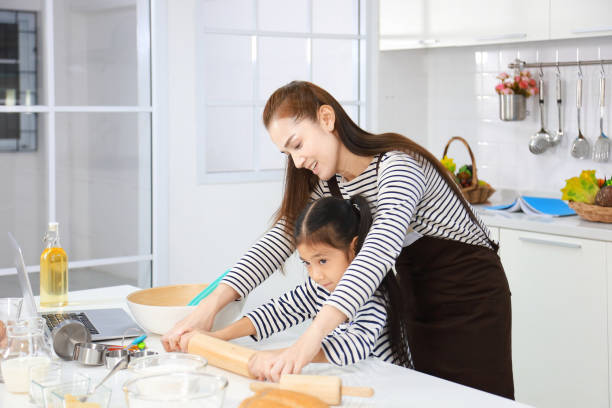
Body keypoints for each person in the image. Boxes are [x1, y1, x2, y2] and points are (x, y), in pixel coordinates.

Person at [162, 80, 513, 399]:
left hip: (470, 294)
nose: (298, 162)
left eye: (297, 145)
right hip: (417, 293)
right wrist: (208, 310)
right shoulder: (330, 183)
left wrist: (308, 340)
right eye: (288, 154)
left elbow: (378, 249)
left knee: (478, 399)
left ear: (327, 118)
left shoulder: (399, 166)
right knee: (434, 397)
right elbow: (273, 245)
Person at [178, 195, 412, 380]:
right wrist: (217, 337)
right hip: (348, 379)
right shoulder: (320, 286)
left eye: (322, 260)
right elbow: (277, 311)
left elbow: (352, 347)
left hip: (386, 386)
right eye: (307, 263)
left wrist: (284, 356)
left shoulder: (374, 295)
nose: (315, 274)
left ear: (354, 247)